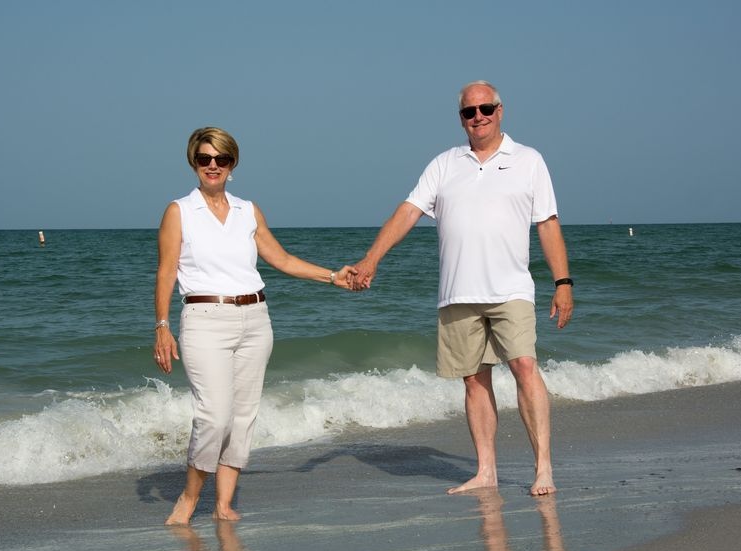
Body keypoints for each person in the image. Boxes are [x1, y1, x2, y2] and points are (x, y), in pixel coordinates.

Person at [351, 81, 573, 496]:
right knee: (473, 380)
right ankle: (485, 470)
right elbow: (408, 212)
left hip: (511, 290)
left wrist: (562, 283)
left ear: (500, 110)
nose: (478, 117)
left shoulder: (528, 160)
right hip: (457, 292)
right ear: (461, 119)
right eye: (469, 112)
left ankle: (543, 468)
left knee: (524, 367)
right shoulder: (444, 164)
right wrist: (371, 258)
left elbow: (548, 224)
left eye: (485, 108)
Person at [154, 127, 356, 524]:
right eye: (205, 159)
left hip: (255, 319)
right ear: (194, 163)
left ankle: (224, 504)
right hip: (204, 319)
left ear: (233, 164)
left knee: (243, 415)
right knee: (214, 415)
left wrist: (334, 277)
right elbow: (165, 271)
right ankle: (189, 498)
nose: (213, 166)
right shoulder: (179, 211)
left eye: (221, 159)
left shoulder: (249, 211)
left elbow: (281, 260)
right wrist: (161, 324)